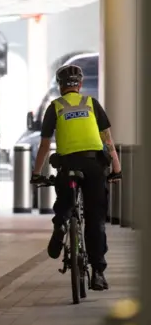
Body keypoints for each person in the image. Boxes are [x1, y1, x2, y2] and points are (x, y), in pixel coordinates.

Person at [30, 65, 121, 291]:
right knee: (95, 220)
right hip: (93, 166)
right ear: (79, 85)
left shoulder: (55, 107)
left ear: (60, 86)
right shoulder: (91, 104)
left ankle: (61, 224)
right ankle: (98, 273)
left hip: (68, 164)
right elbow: (108, 140)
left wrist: (36, 174)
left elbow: (43, 145)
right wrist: (116, 168)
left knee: (65, 199)